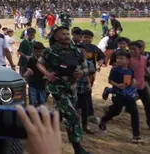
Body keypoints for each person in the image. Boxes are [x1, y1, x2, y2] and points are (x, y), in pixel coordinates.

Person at [34, 25, 89, 154]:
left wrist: (81, 73)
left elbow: (86, 68)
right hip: (57, 87)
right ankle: (78, 147)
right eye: (63, 34)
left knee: (61, 115)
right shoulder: (50, 51)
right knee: (73, 116)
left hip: (71, 87)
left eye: (67, 33)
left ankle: (44, 135)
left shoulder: (77, 51)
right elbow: (39, 63)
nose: (66, 36)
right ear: (56, 37)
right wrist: (47, 74)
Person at [98, 49, 141, 143]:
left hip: (129, 95)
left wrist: (134, 83)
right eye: (118, 58)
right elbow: (110, 81)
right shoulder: (115, 70)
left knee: (134, 113)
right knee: (116, 111)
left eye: (122, 58)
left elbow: (132, 79)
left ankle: (136, 135)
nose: (119, 60)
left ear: (128, 60)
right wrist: (117, 85)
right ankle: (103, 120)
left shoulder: (130, 70)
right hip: (118, 94)